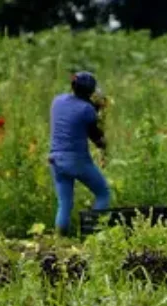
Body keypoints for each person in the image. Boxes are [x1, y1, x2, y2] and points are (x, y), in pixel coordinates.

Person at [48, 71, 110, 235]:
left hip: (55, 159)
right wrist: (104, 146)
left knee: (65, 204)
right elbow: (95, 136)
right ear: (90, 91)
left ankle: (60, 241)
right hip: (76, 160)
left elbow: (73, 114)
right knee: (103, 193)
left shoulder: (57, 101)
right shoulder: (87, 109)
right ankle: (93, 233)